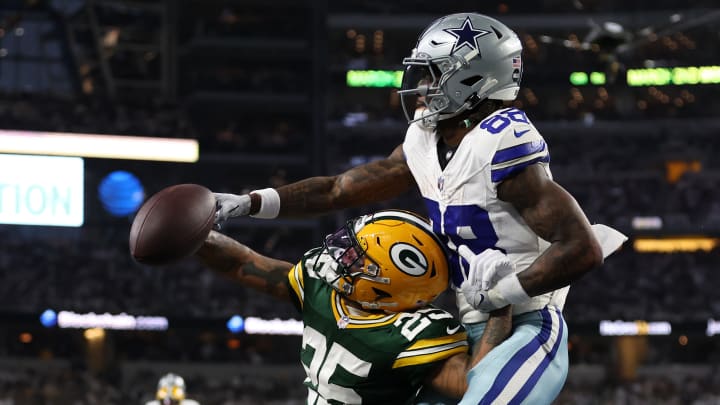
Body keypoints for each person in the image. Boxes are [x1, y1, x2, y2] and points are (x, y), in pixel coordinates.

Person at [212, 12, 627, 404]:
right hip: (468, 325)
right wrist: (252, 203)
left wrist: (505, 291)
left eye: (434, 74)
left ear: (472, 78)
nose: (422, 86)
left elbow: (581, 247)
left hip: (529, 324)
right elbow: (338, 190)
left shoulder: (502, 142)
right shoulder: (426, 140)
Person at [195, 209, 513, 404]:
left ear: (388, 280)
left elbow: (472, 388)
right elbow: (244, 264)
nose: (340, 256)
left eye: (355, 258)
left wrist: (501, 308)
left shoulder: (416, 332)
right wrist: (195, 234)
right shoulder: (321, 287)